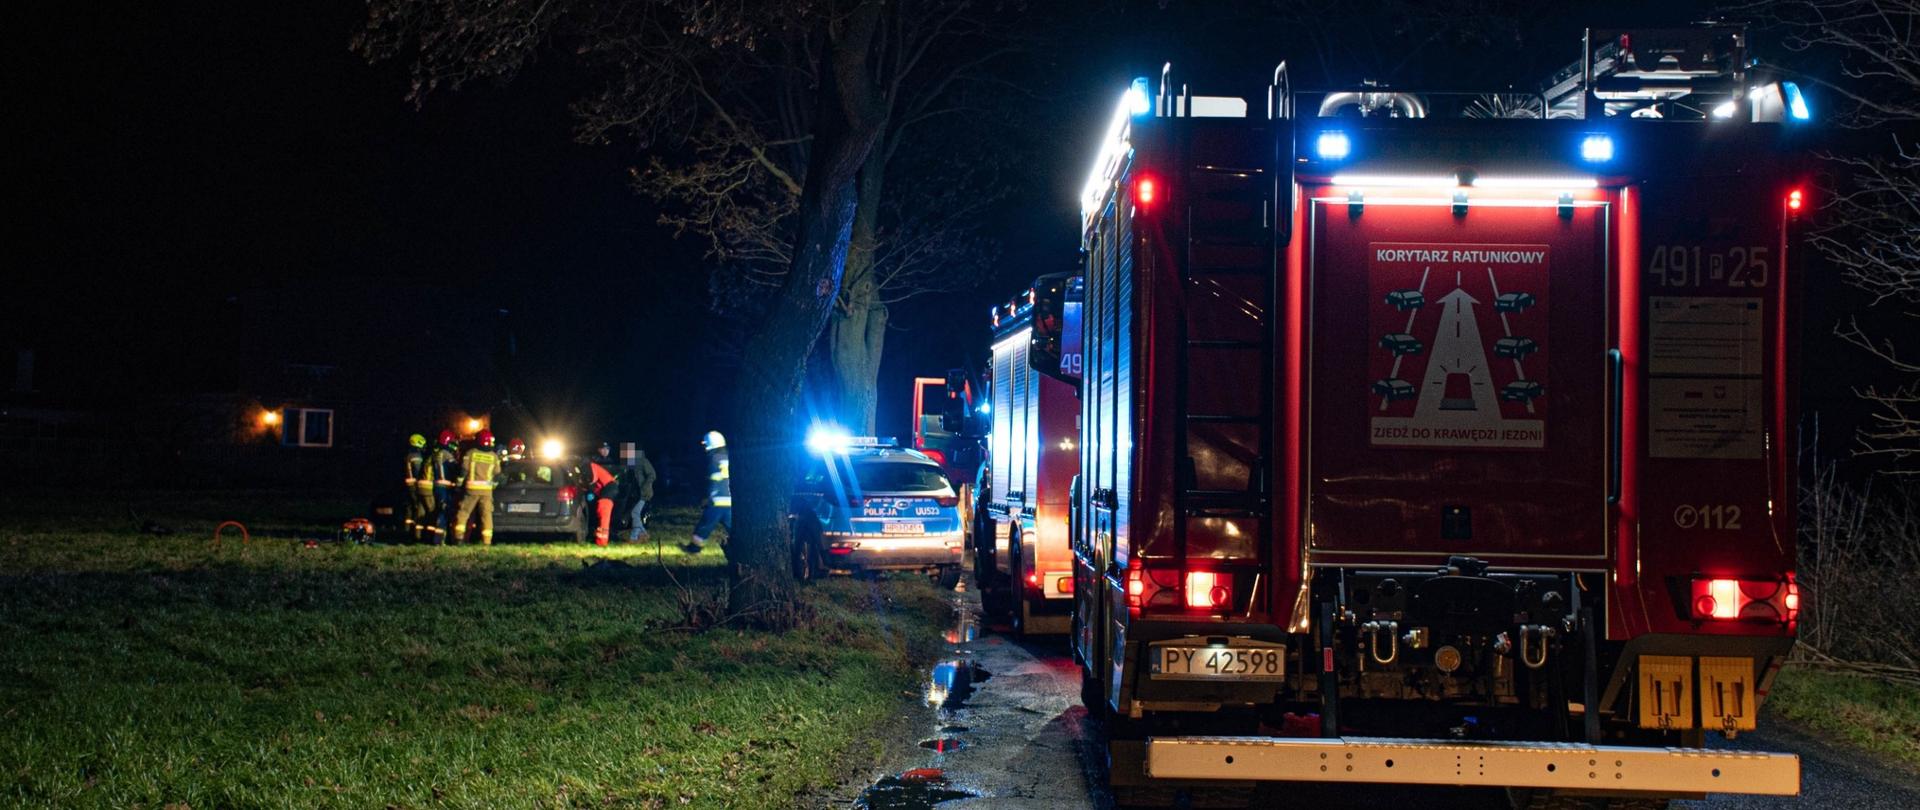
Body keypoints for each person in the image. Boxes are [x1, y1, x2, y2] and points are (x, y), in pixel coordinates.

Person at [451, 430, 503, 545]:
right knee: (486, 515)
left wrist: (458, 485)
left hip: (471, 490)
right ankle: (487, 541)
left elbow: (463, 471)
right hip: (487, 492)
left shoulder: (471, 453)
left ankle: (458, 538)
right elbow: (498, 474)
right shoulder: (494, 456)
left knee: (464, 513)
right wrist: (493, 486)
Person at [685, 430, 730, 555]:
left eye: (705, 445)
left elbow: (714, 480)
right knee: (732, 526)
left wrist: (708, 497)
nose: (704, 448)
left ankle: (694, 548)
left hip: (718, 500)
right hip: (730, 499)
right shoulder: (728, 456)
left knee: (705, 525)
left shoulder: (714, 459)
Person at [425, 430, 461, 545]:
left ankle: (435, 538)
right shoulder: (447, 455)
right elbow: (455, 470)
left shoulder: (437, 454)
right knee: (444, 512)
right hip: (445, 488)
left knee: (438, 511)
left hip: (437, 487)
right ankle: (439, 540)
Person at [584, 445, 620, 547]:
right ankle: (599, 538)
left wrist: (590, 491)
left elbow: (593, 481)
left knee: (603, 510)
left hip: (609, 488)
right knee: (601, 512)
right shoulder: (592, 465)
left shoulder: (591, 466)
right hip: (607, 489)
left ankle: (602, 541)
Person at [403, 433, 436, 542]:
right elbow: (418, 472)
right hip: (414, 486)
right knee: (418, 509)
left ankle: (407, 532)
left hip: (408, 486)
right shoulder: (416, 457)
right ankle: (416, 535)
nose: (424, 446)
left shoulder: (409, 455)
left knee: (410, 510)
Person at [626, 445, 658, 542]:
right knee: (635, 513)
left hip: (643, 493)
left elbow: (652, 475)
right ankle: (643, 534)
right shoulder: (630, 463)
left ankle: (634, 537)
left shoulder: (642, 461)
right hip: (636, 493)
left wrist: (644, 486)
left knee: (634, 513)